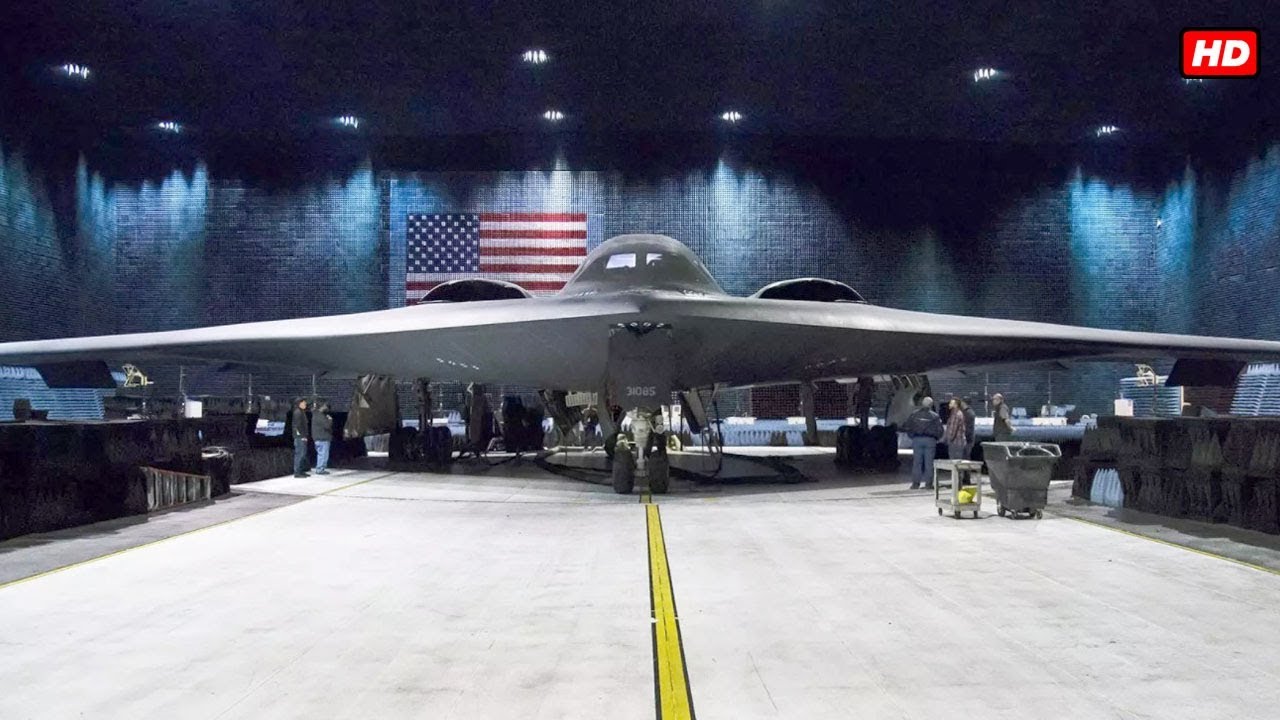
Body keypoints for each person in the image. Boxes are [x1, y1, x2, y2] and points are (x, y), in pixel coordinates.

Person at [903, 396, 944, 489]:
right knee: (929, 463)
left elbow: (908, 426)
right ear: (931, 405)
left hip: (917, 440)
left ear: (922, 404)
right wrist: (936, 438)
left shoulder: (914, 414)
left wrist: (912, 436)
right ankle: (928, 484)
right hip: (930, 441)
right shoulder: (935, 416)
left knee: (917, 462)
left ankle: (915, 484)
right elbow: (940, 430)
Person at [311, 401, 333, 475]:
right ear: (322, 407)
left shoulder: (316, 415)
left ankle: (320, 468)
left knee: (321, 454)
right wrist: (330, 420)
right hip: (322, 438)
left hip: (318, 438)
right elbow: (327, 426)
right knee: (323, 455)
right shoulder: (320, 416)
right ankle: (320, 469)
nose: (327, 408)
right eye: (325, 406)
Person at [943, 397, 967, 462]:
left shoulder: (956, 414)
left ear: (956, 405)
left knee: (955, 462)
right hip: (958, 443)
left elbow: (953, 430)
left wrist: (948, 440)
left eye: (951, 403)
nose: (949, 404)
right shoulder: (957, 413)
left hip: (955, 443)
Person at [291, 398, 310, 478]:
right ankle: (297, 472)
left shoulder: (301, 412)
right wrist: (301, 436)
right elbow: (297, 426)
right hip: (300, 438)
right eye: (304, 403)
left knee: (303, 454)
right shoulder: (298, 412)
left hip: (302, 437)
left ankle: (301, 470)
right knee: (300, 454)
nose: (305, 404)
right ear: (299, 403)